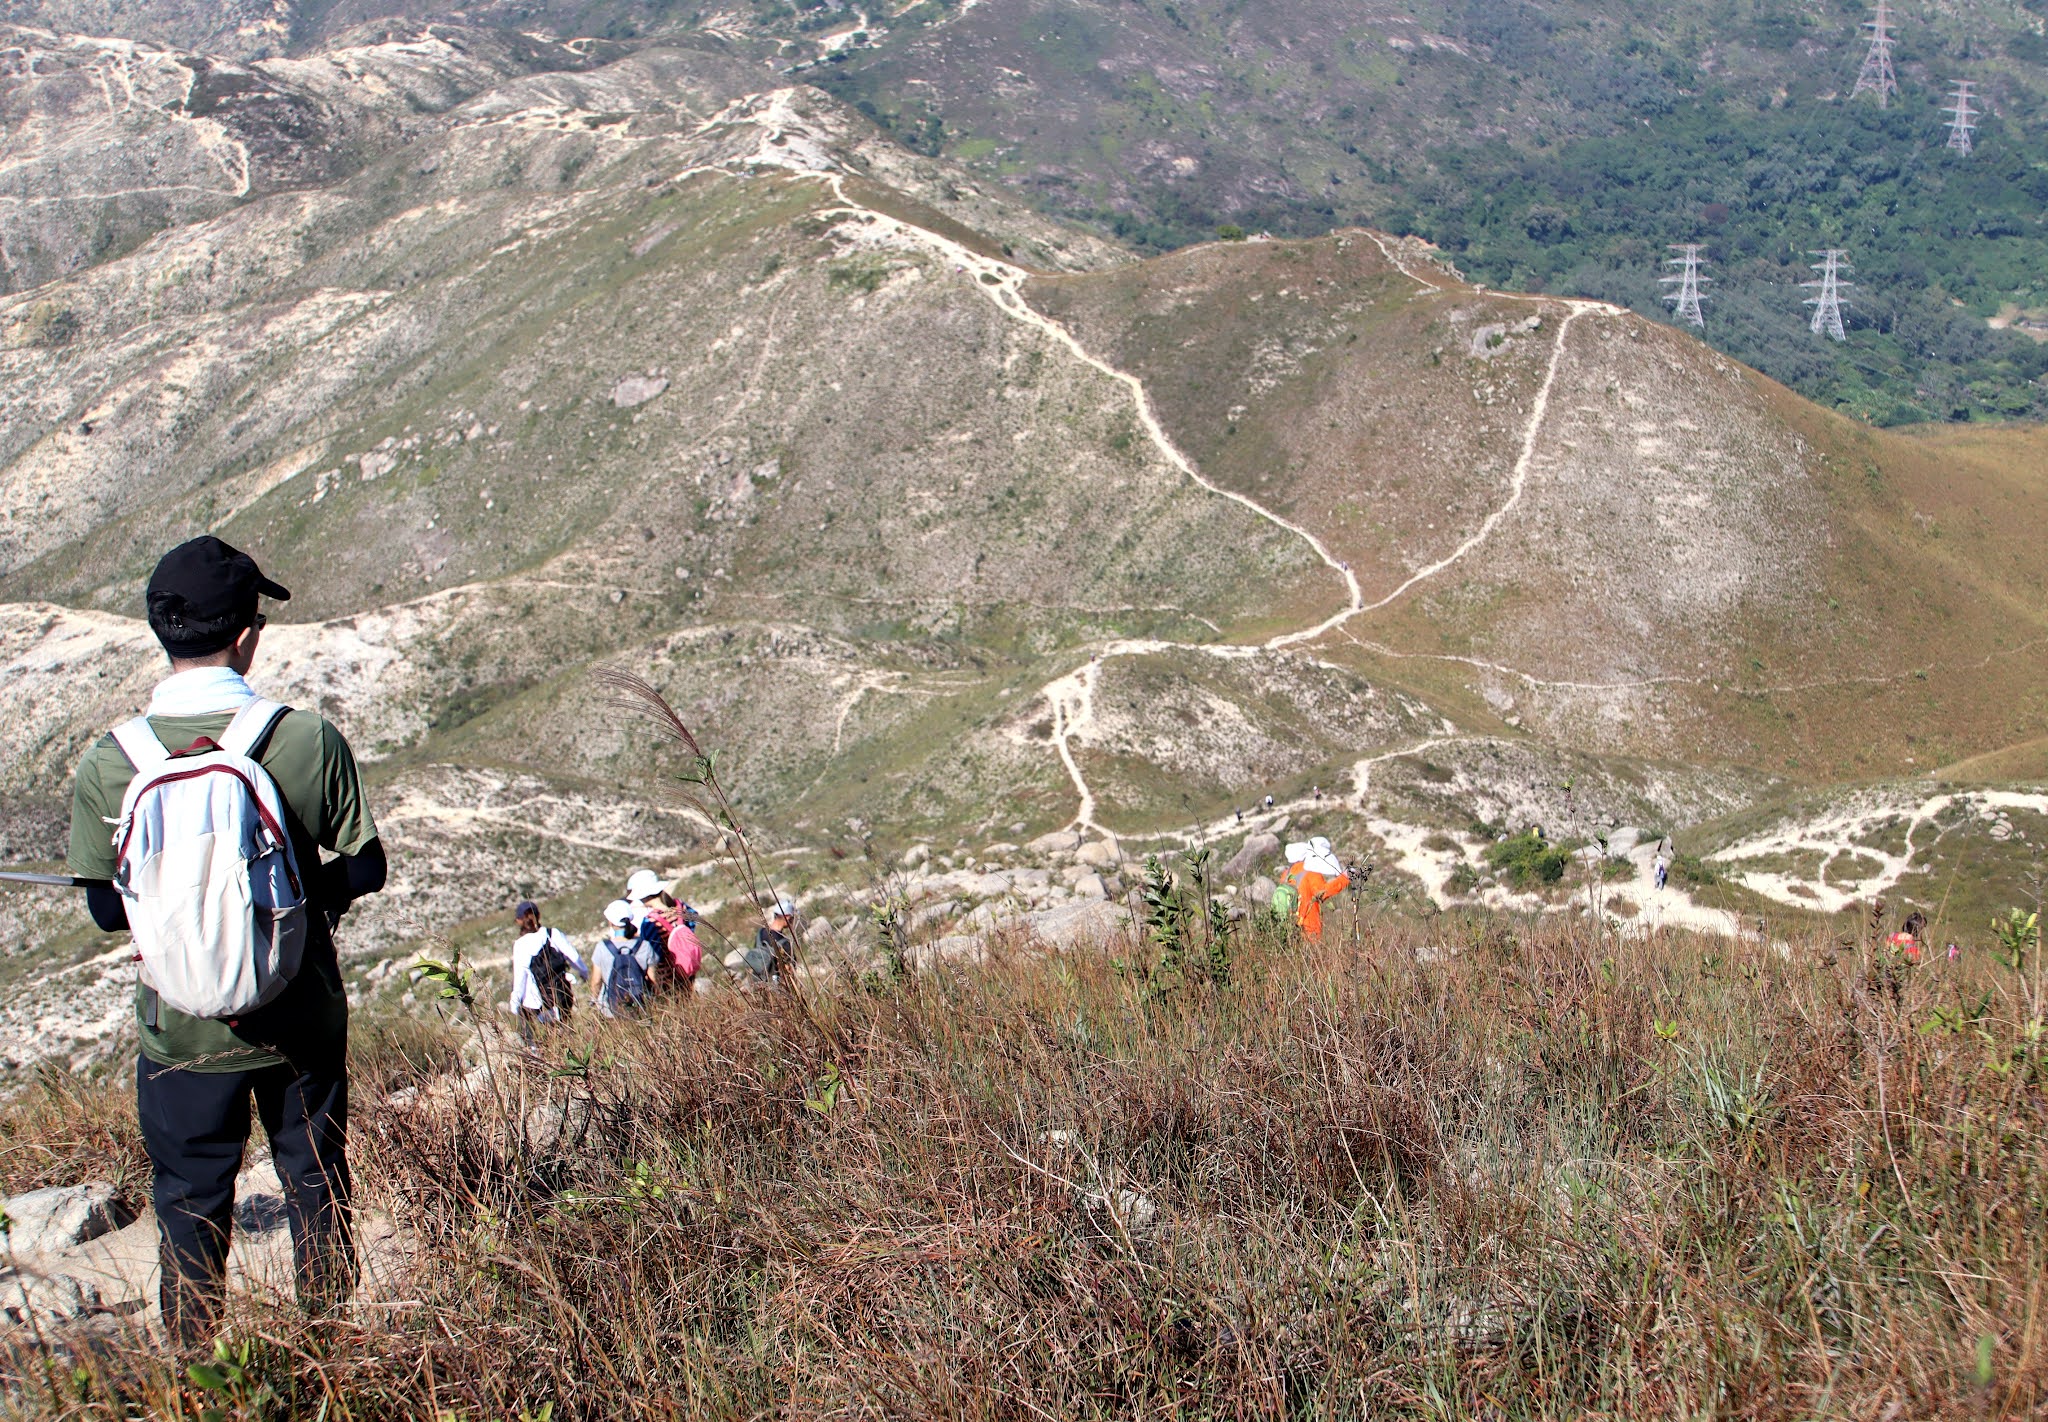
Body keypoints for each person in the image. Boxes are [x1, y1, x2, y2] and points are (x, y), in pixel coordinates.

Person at [67, 536, 386, 1346]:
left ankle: (198, 1368)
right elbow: (366, 867)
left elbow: (106, 910)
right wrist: (292, 899)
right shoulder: (304, 738)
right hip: (298, 1013)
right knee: (315, 1181)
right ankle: (330, 1350)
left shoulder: (112, 760)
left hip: (178, 1028)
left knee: (188, 1200)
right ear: (247, 634)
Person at [509, 900, 585, 1037]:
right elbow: (574, 957)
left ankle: (535, 1047)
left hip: (537, 1000)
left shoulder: (520, 944)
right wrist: (584, 973)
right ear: (539, 915)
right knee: (567, 1030)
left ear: (519, 921)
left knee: (547, 1036)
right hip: (562, 993)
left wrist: (515, 1003)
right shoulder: (552, 934)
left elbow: (520, 978)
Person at [590, 900, 658, 1018]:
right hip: (640, 1006)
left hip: (609, 1009)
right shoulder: (644, 946)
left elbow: (596, 981)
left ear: (610, 922)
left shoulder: (602, 947)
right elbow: (653, 979)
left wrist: (593, 1001)